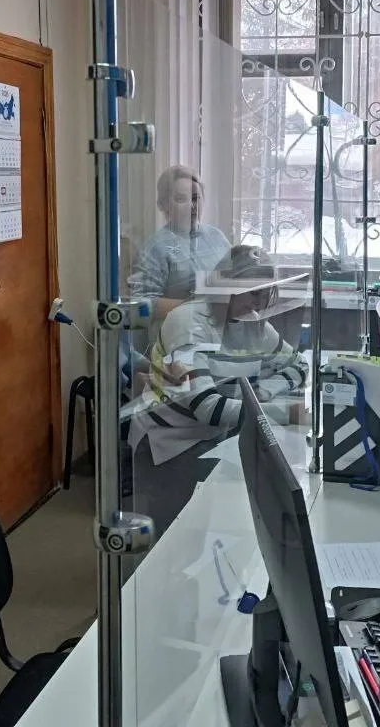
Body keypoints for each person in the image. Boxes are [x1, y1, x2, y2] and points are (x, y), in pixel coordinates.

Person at [127, 245, 306, 536]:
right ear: (226, 287)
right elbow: (207, 408)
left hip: (217, 435)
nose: (258, 303)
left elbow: (299, 364)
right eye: (251, 292)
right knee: (179, 540)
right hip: (171, 442)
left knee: (226, 520)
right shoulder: (188, 323)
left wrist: (265, 391)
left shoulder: (254, 325)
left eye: (264, 293)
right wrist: (284, 414)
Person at [128, 165, 232, 321]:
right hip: (180, 330)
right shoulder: (156, 247)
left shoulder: (217, 237)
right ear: (163, 204)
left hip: (221, 328)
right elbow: (141, 304)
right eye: (181, 199)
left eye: (196, 198)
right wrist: (197, 308)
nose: (192, 206)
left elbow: (235, 278)